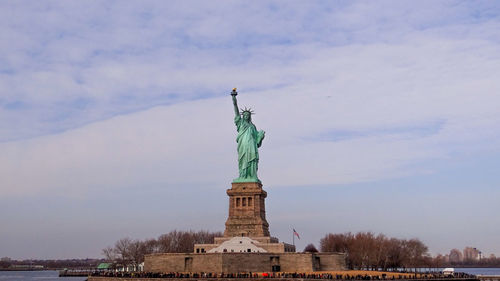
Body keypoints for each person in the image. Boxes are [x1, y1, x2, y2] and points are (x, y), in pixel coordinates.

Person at [231, 89, 265, 182]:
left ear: (249, 116)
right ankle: (242, 175)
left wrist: (261, 137)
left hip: (251, 145)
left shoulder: (253, 126)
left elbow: (257, 142)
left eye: (247, 115)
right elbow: (236, 109)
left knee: (252, 160)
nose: (246, 116)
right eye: (244, 115)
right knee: (243, 160)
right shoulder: (240, 123)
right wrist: (234, 98)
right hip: (243, 144)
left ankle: (252, 175)